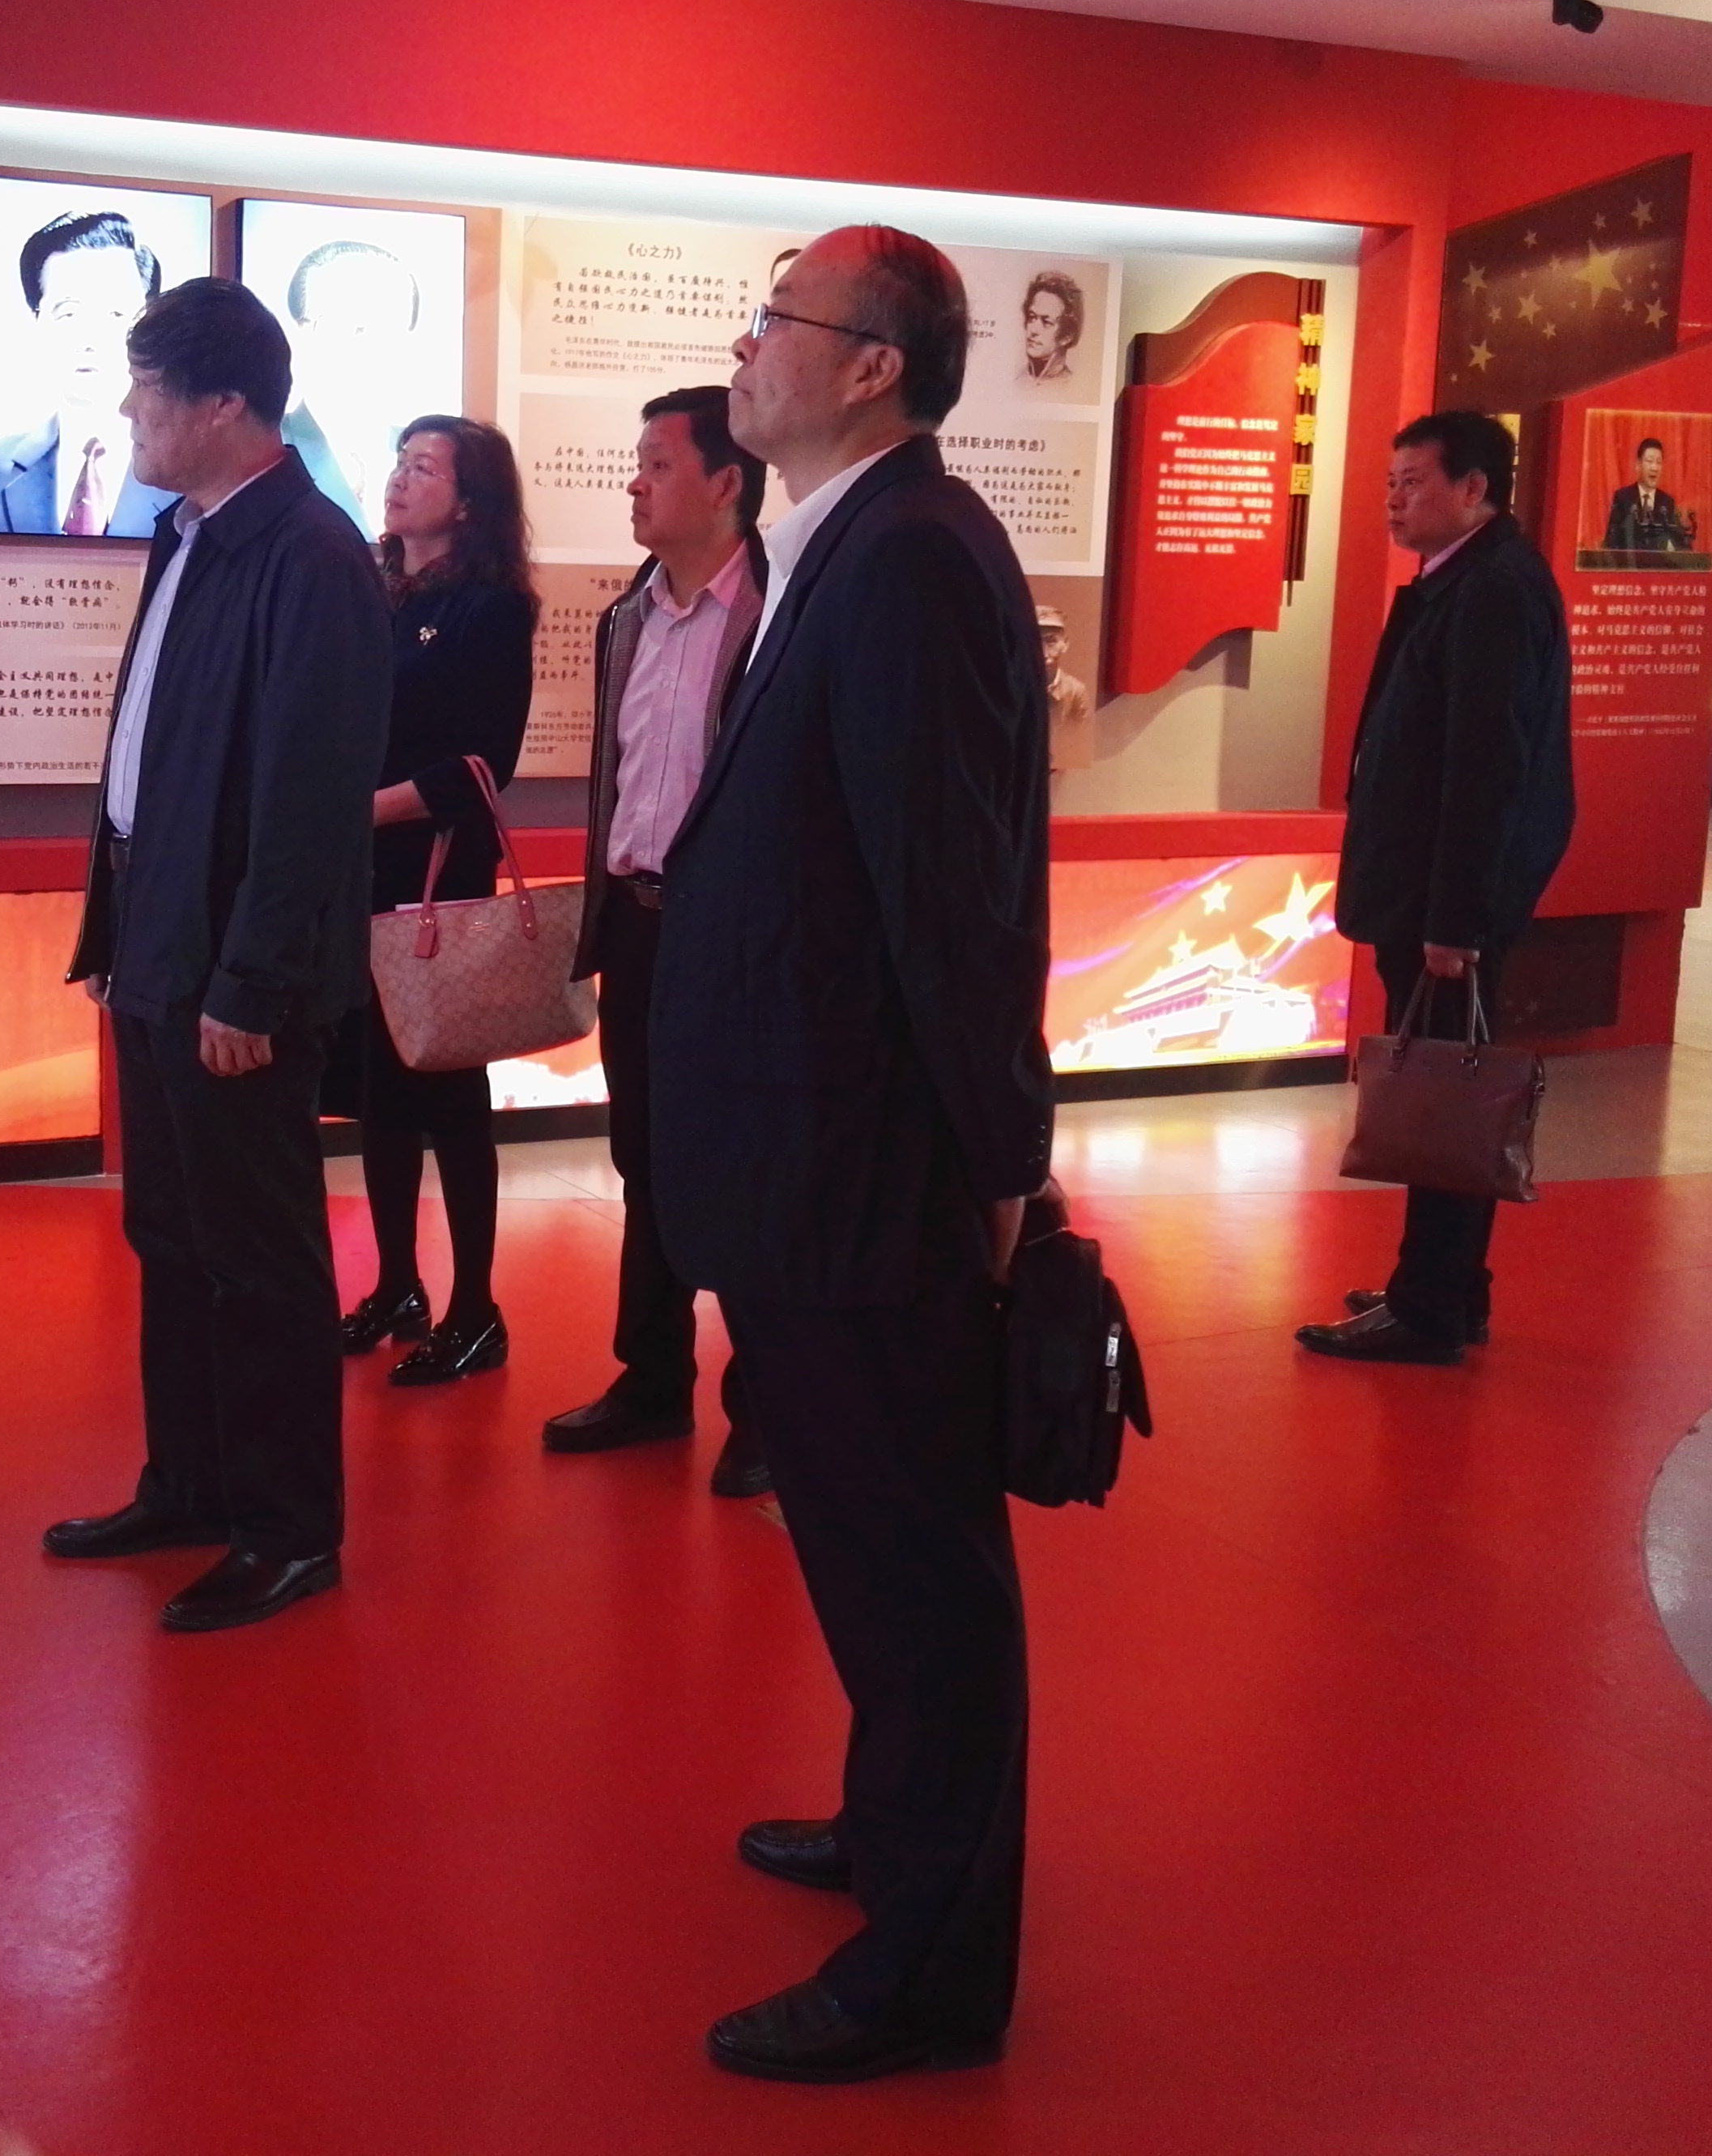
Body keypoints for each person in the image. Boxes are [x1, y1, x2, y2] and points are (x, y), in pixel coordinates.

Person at [652, 228, 1052, 2084]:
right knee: (857, 1543)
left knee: (918, 1570)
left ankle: (933, 1971)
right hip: (804, 1163)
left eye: (775, 321)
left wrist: (1001, 1166)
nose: (744, 349)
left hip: (872, 1174)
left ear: (873, 364)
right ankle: (899, 1830)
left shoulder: (910, 559)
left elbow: (954, 896)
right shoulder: (840, 546)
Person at [47, 277, 389, 1633]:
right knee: (172, 1239)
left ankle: (290, 1530)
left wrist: (249, 982)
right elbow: (149, 762)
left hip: (234, 969)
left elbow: (308, 802)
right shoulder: (189, 536)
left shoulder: (312, 555)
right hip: (159, 941)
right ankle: (189, 1483)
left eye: (147, 389)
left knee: (258, 1256)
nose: (128, 412)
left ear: (227, 404)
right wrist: (114, 934)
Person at [1299, 410, 1575, 1366]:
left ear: (1473, 488)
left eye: (1412, 482)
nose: (1393, 501)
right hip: (1426, 891)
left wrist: (1454, 920)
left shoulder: (1491, 590)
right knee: (1442, 1088)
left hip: (1443, 903)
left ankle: (1427, 1308)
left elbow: (1485, 768)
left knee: (1444, 1096)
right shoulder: (1459, 578)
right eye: (1389, 483)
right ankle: (1449, 1289)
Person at [537, 386, 769, 1494]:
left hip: (735, 938)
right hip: (638, 923)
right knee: (644, 1156)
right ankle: (653, 1375)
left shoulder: (775, 613)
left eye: (658, 464)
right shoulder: (627, 615)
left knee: (748, 1161)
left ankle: (767, 1405)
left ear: (727, 482)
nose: (635, 482)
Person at [331, 415, 539, 1386]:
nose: (399, 479)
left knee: (448, 1096)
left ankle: (475, 1309)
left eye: (424, 467)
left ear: (467, 501)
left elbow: (482, 764)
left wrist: (360, 810)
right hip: (359, 879)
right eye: (398, 462)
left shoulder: (488, 609)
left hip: (434, 880)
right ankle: (396, 1287)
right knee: (378, 1094)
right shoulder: (370, 591)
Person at [0, 211, 179, 538]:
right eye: (68, 313)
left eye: (115, 313)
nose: (90, 339)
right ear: (36, 321)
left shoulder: (191, 478)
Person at [275, 237, 412, 534]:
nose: (377, 347)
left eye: (392, 328)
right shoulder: (267, 450)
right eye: (357, 328)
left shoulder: (422, 456)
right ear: (302, 333)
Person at [1599, 435, 1694, 553]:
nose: (1655, 468)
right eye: (1650, 461)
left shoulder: (1667, 503)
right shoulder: (1623, 498)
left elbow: (1681, 545)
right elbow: (1611, 543)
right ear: (1638, 465)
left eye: (1659, 462)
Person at [1018, 271, 1083, 385]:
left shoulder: (1074, 386)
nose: (1033, 330)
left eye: (1046, 322)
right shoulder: (1018, 381)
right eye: (1032, 317)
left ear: (1067, 336)